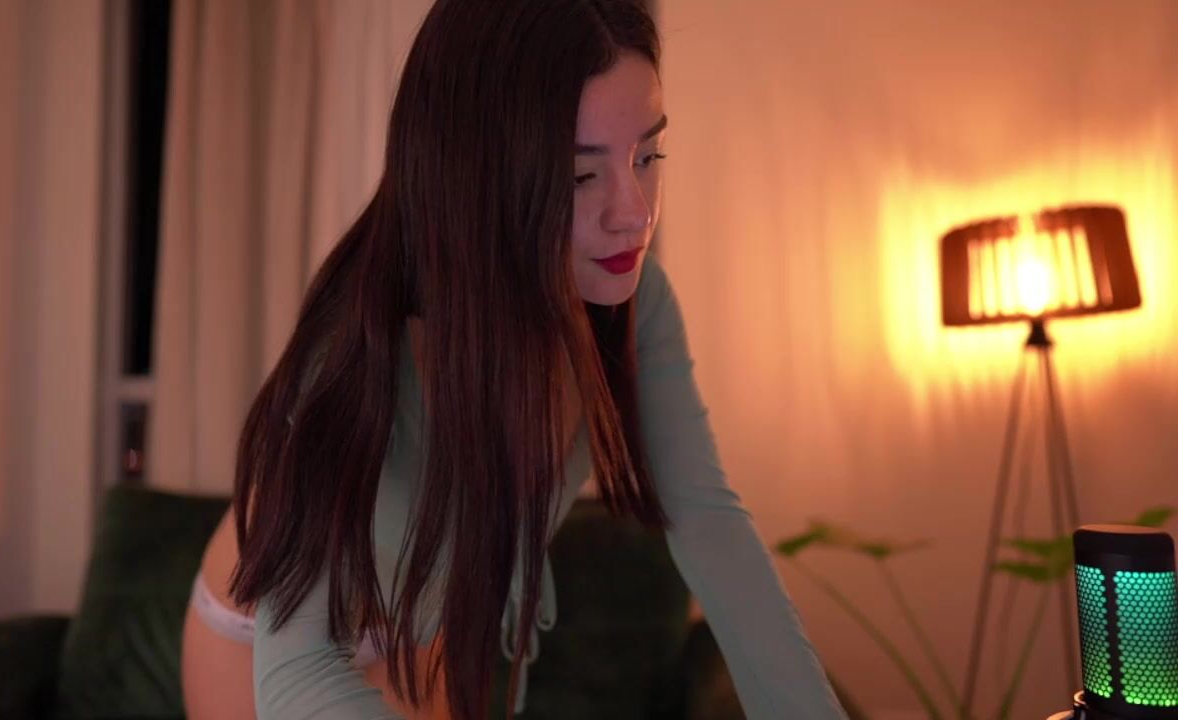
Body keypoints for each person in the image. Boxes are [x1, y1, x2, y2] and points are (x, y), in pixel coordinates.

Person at [181, 1, 848, 718]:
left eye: (646, 157)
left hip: (417, 626)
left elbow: (711, 525)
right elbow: (297, 669)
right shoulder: (363, 350)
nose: (634, 213)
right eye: (581, 176)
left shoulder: (635, 306)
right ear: (477, 176)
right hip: (267, 646)